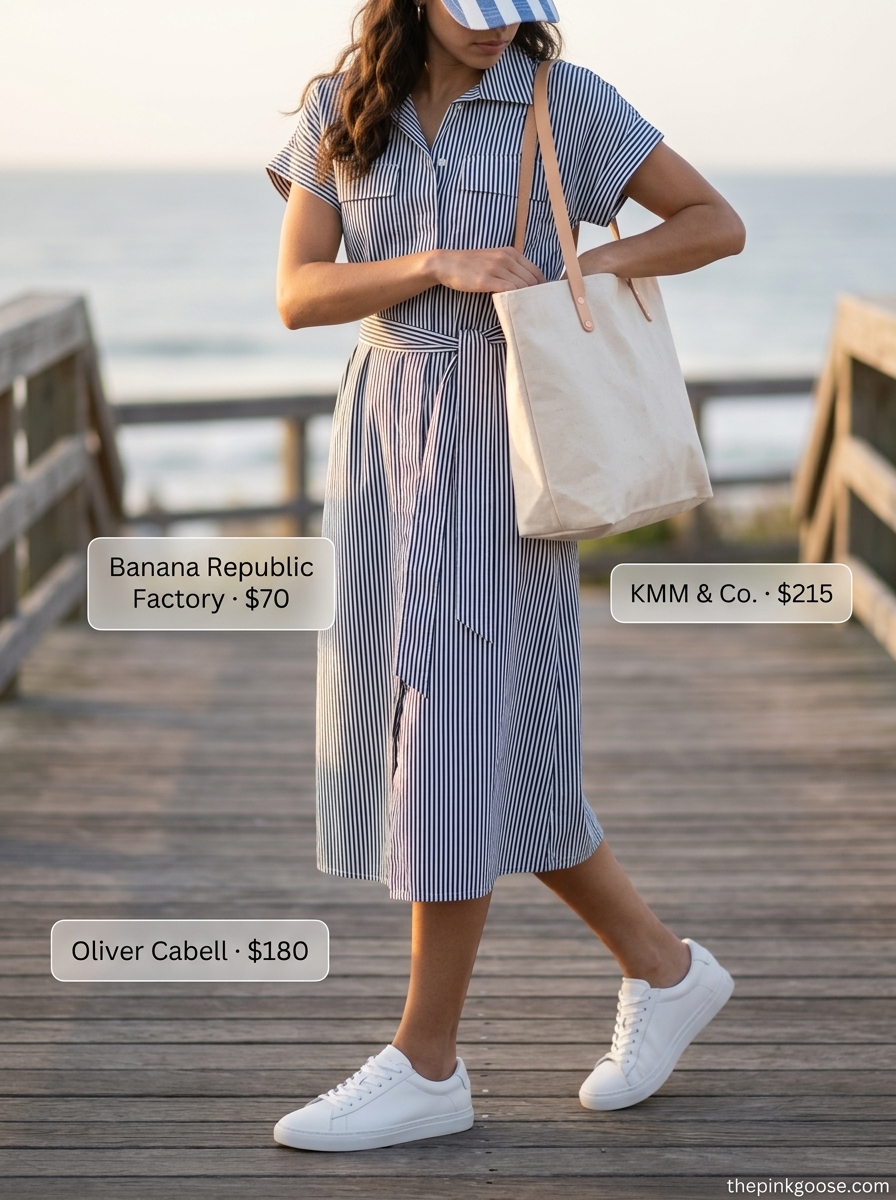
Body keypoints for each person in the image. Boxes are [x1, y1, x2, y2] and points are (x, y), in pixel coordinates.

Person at [267, 0, 745, 1153]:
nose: (494, 28)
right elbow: (297, 294)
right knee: (507, 755)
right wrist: (430, 261)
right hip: (384, 437)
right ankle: (665, 971)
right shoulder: (340, 110)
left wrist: (585, 265)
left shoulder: (561, 100)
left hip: (503, 440)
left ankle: (426, 1065)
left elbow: (712, 221)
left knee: (452, 729)